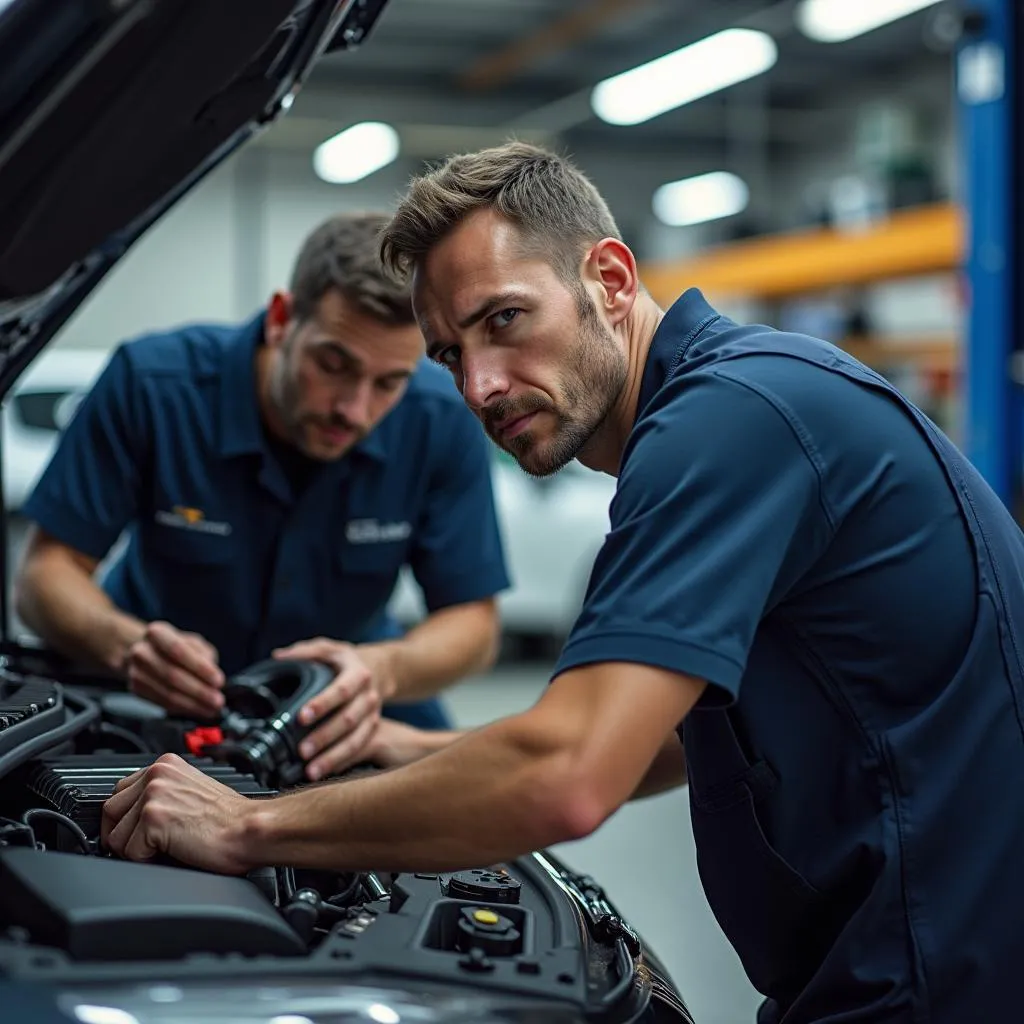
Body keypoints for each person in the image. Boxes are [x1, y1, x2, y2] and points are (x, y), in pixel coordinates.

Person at [100, 144, 1024, 1023]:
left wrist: (249, 827)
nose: (480, 387)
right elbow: (657, 745)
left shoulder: (727, 425)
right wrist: (403, 750)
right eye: (451, 355)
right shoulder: (740, 399)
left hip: (941, 977)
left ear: (611, 282)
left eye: (504, 320)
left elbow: (570, 776)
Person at [15, 211, 510, 781]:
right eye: (333, 364)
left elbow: (473, 624)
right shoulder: (152, 386)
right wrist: (125, 646)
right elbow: (45, 577)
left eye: (388, 382)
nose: (354, 408)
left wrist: (381, 671)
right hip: (153, 687)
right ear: (282, 319)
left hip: (347, 694)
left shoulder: (439, 420)